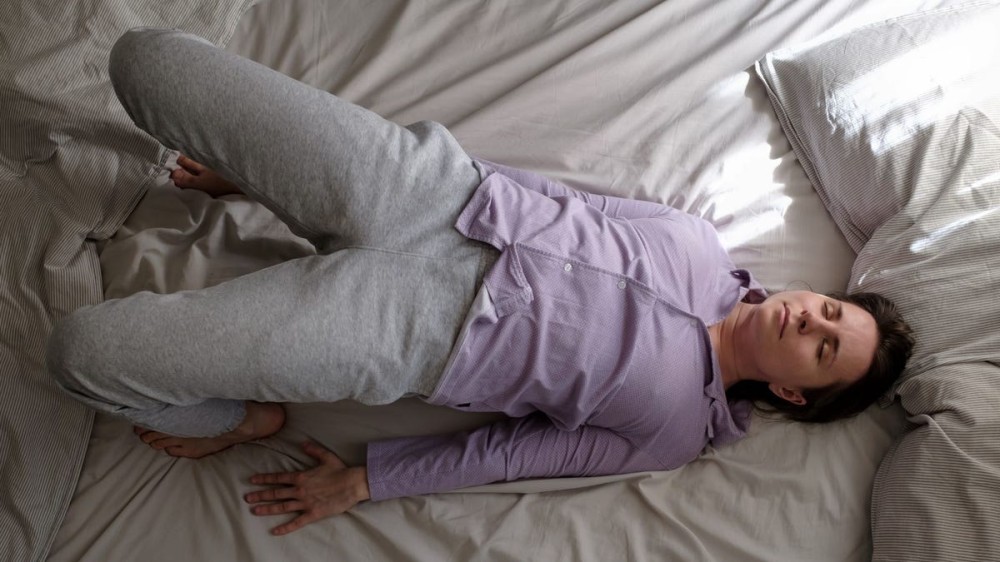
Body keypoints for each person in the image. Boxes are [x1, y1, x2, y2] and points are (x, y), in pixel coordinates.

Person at [46, 28, 914, 537]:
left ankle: (234, 418)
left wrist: (366, 481)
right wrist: (258, 179)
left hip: (413, 328)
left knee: (83, 353)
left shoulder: (675, 427)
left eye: (824, 348)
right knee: (145, 59)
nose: (810, 318)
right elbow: (551, 195)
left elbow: (512, 456)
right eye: (829, 309)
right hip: (430, 192)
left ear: (798, 396)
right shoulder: (696, 239)